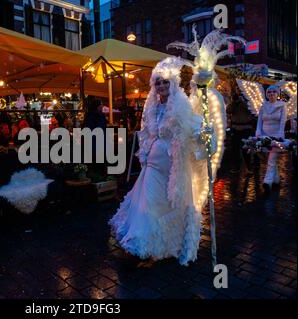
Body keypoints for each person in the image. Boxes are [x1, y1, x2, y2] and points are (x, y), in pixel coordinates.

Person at [109, 57, 216, 266]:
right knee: (147, 203)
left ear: (173, 83)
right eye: (158, 82)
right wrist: (145, 153)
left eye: (165, 81)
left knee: (166, 205)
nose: (161, 85)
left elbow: (191, 128)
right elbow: (148, 133)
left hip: (172, 166)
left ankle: (161, 246)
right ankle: (143, 244)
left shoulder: (181, 106)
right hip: (152, 165)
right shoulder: (152, 108)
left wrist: (203, 132)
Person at [255, 85, 287, 192]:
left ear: (278, 94)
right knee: (269, 158)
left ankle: (267, 182)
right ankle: (276, 179)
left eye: (274, 92)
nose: (271, 94)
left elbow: (283, 122)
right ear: (266, 94)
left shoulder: (282, 106)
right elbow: (259, 121)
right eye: (269, 92)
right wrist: (258, 132)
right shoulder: (263, 106)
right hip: (264, 136)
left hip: (276, 136)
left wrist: (280, 135)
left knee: (271, 159)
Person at [227, 86, 255, 173]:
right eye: (238, 89)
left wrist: (244, 102)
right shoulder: (234, 100)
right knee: (234, 149)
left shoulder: (250, 100)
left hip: (246, 128)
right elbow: (228, 110)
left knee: (245, 148)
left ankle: (249, 166)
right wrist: (235, 102)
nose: (239, 91)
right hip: (235, 128)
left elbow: (252, 111)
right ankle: (236, 166)